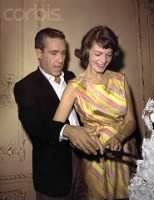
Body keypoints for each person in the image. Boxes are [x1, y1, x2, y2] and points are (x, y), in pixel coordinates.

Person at [14, 27, 100, 200]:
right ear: (39, 53)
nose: (60, 60)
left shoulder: (71, 76)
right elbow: (35, 127)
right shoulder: (25, 86)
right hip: (53, 175)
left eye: (63, 53)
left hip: (85, 165)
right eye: (53, 53)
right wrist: (68, 130)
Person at [53, 25, 137, 200]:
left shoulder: (120, 80)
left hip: (123, 154)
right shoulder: (75, 85)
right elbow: (56, 127)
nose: (103, 60)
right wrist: (79, 140)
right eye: (98, 54)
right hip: (95, 157)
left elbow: (131, 122)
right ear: (86, 52)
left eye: (108, 54)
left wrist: (119, 138)